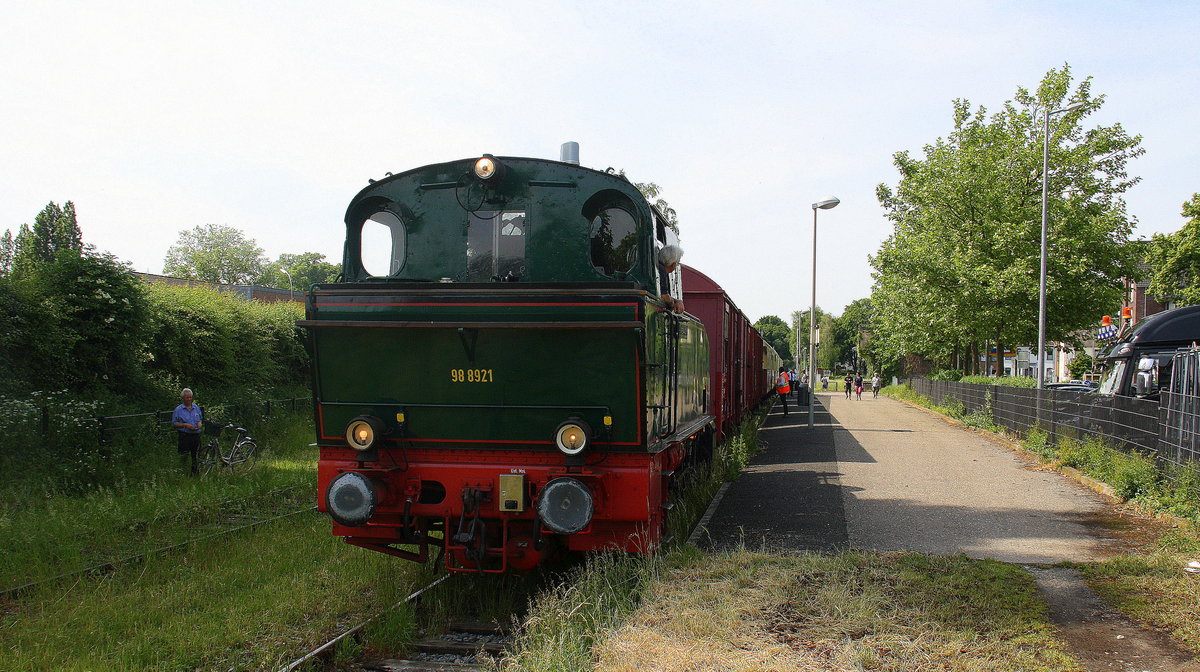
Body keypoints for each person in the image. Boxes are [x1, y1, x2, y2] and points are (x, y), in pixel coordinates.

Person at [172, 388, 203, 475]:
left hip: (196, 435)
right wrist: (185, 425)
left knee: (196, 455)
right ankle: (183, 472)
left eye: (190, 397)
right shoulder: (178, 410)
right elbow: (174, 423)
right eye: (187, 397)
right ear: (183, 398)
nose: (189, 399)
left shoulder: (196, 407)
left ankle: (195, 473)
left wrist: (199, 423)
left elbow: (200, 418)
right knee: (184, 455)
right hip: (185, 435)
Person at [657, 245, 686, 314]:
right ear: (673, 264)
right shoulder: (661, 270)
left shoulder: (658, 267)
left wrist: (676, 300)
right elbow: (664, 296)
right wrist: (674, 303)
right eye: (677, 263)